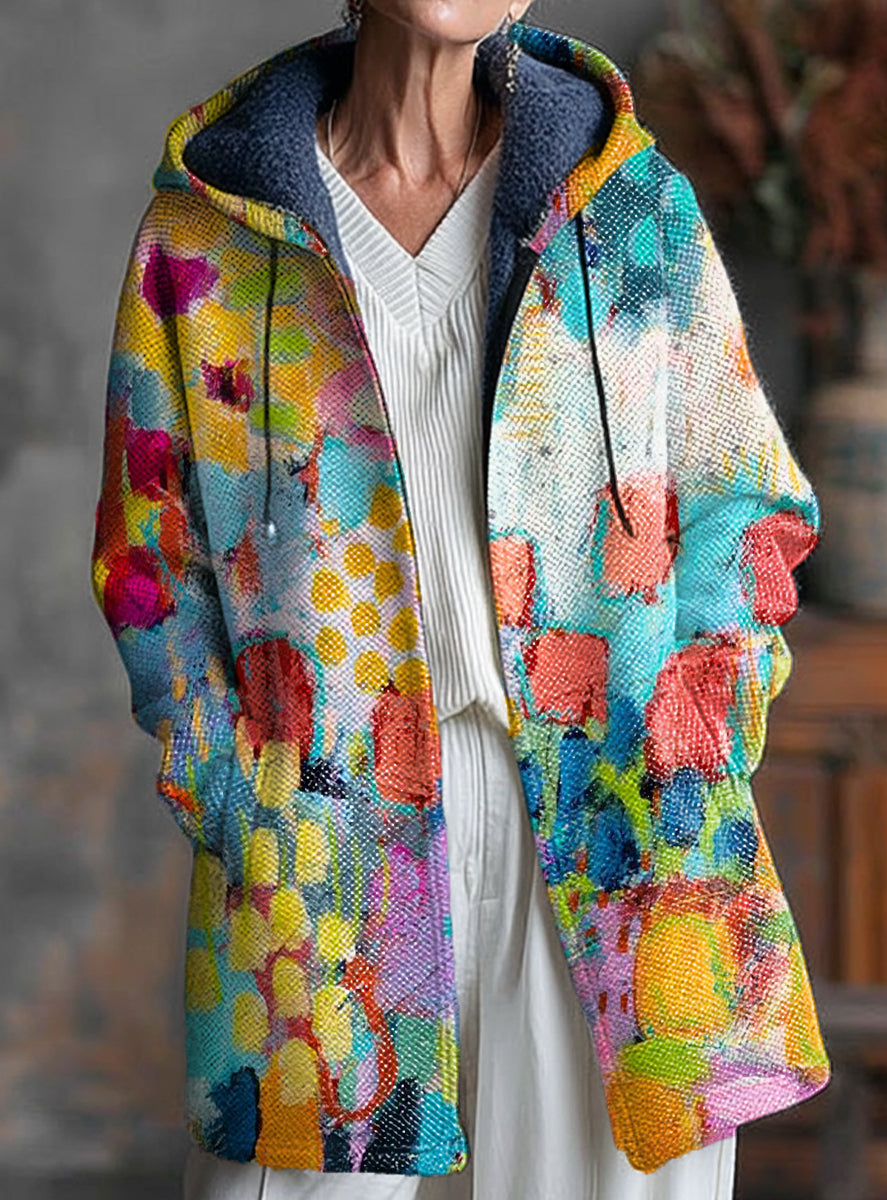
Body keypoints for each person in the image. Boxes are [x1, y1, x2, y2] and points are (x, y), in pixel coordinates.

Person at [89, 2, 832, 1198]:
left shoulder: (629, 206)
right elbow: (149, 560)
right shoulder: (208, 232)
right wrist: (235, 786)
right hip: (324, 831)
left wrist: (697, 727)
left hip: (611, 819)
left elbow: (746, 511)